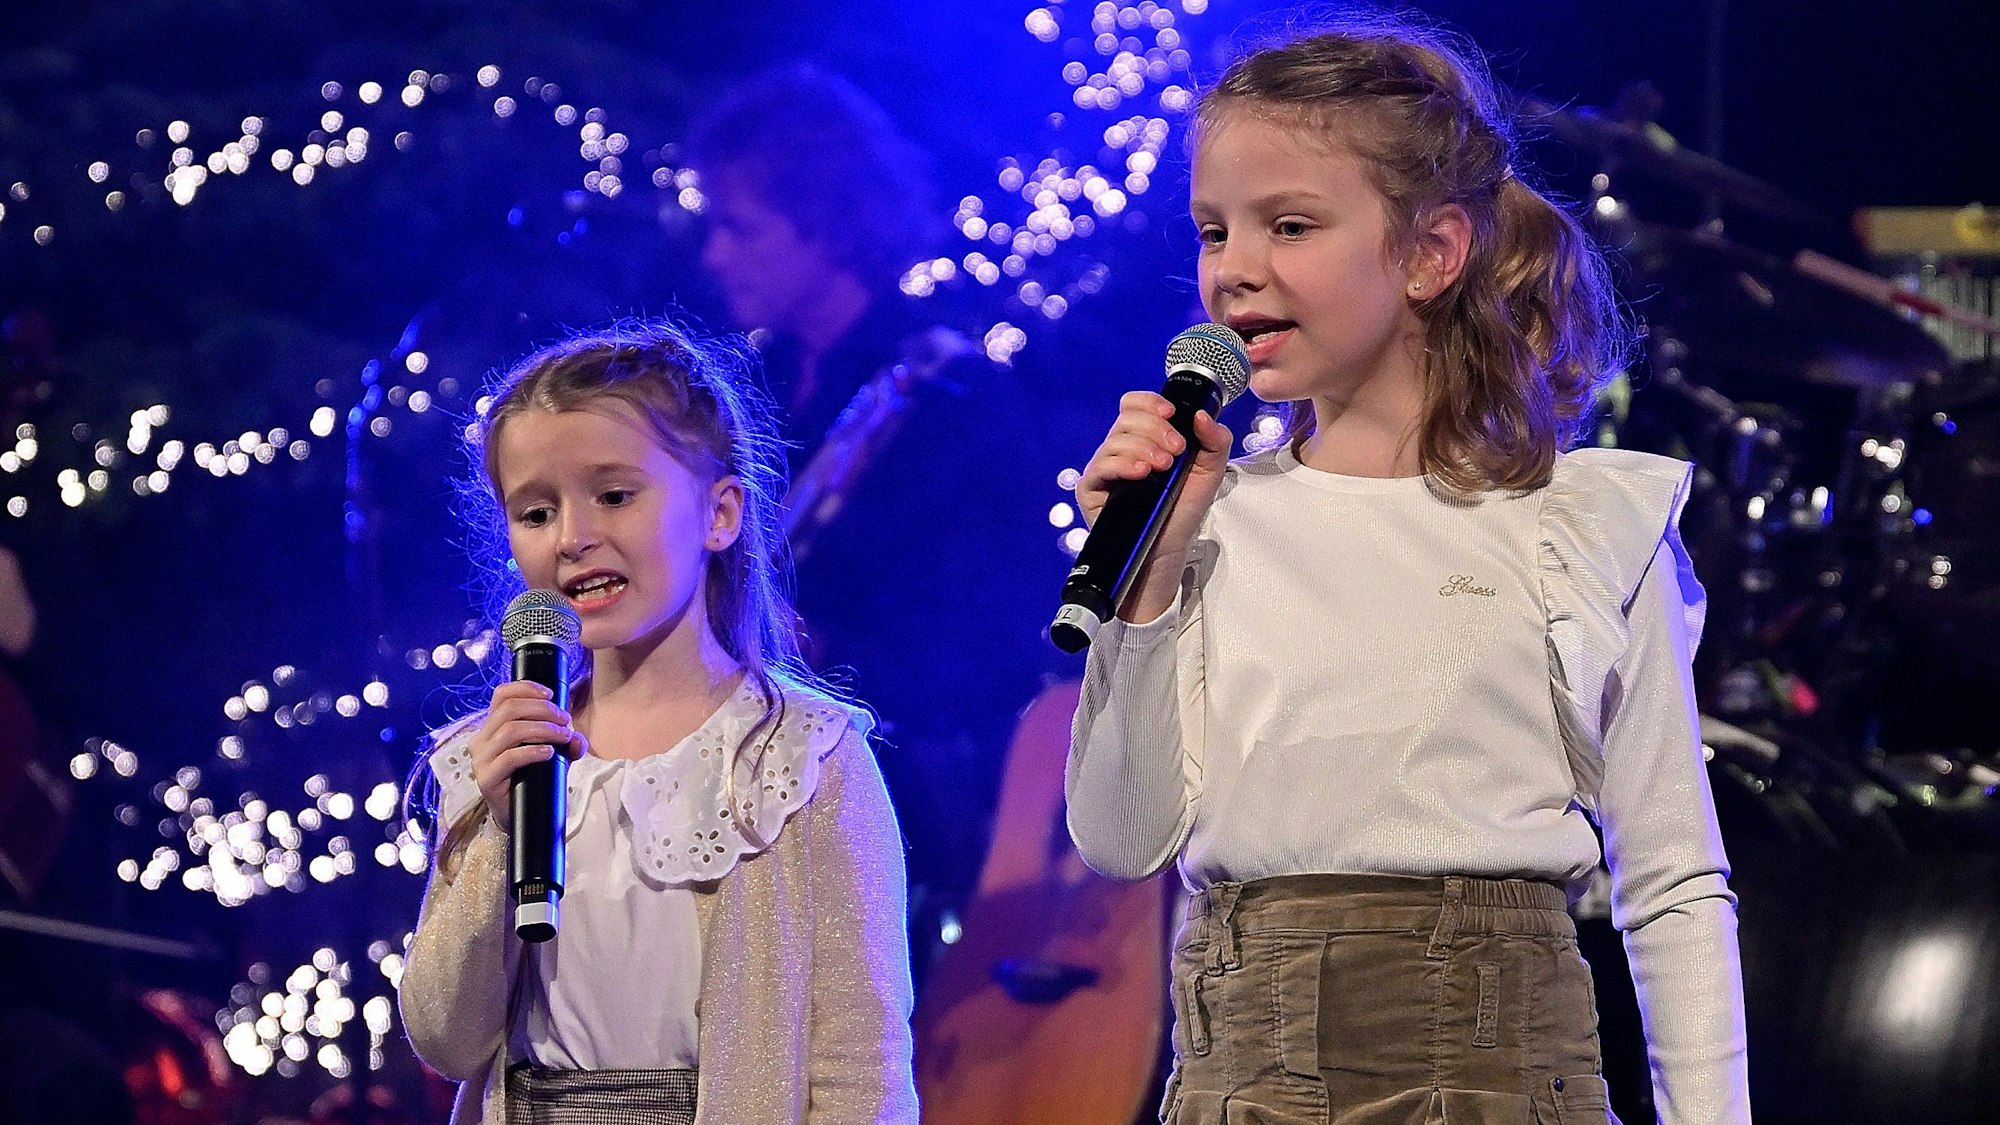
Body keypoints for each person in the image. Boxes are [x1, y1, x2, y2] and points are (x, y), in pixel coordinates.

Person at [1065, 18, 1748, 1125]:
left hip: (1495, 1077)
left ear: (1431, 252)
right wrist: (1143, 586)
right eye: (1211, 230)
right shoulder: (1216, 519)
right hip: (1243, 1081)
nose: (1233, 269)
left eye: (1288, 224)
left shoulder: (1575, 525)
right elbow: (1117, 836)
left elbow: (1670, 882)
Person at [397, 322, 919, 1125]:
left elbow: (861, 1071)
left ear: (719, 513)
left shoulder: (807, 761)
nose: (573, 537)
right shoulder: (495, 757)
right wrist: (497, 834)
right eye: (536, 512)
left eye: (613, 494)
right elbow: (444, 1037)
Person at [688, 66, 1060, 972]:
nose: (713, 255)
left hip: (908, 829)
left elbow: (1001, 641)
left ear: (826, 226)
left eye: (740, 226)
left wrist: (827, 655)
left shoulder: (952, 398)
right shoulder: (745, 400)